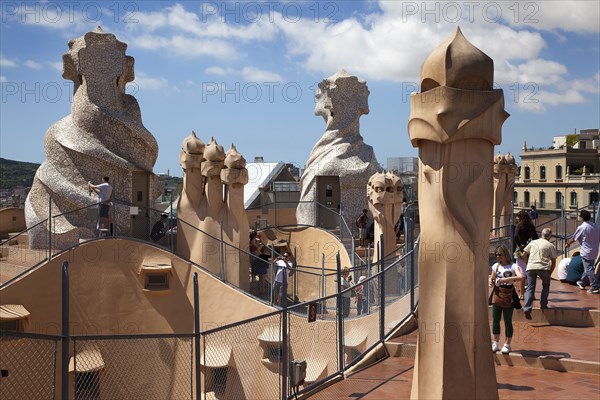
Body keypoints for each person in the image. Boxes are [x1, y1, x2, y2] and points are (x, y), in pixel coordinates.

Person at [489, 245, 523, 354]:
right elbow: (492, 277)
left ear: (505, 254)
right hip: (498, 294)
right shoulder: (496, 266)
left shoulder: (513, 266)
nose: (498, 256)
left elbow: (521, 277)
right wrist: (490, 281)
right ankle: (495, 342)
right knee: (495, 320)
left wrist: (507, 279)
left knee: (508, 321)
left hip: (509, 295)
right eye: (496, 255)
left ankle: (507, 344)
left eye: (500, 254)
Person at [522, 228, 557, 319]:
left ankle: (527, 308)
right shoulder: (550, 245)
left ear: (542, 234)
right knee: (546, 285)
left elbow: (523, 255)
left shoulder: (533, 242)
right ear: (549, 236)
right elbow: (553, 262)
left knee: (530, 287)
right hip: (543, 267)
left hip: (531, 267)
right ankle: (543, 304)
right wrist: (550, 273)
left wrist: (527, 264)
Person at [566, 210, 600, 294]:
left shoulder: (582, 227)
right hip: (594, 251)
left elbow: (574, 238)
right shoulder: (595, 226)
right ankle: (582, 282)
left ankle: (594, 286)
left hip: (586, 251)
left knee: (589, 269)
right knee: (588, 267)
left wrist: (568, 244)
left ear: (581, 217)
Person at [513, 210, 538, 298]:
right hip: (530, 251)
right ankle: (532, 294)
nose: (516, 218)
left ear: (520, 217)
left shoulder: (519, 226)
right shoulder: (531, 226)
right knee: (530, 272)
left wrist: (520, 245)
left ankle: (522, 294)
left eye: (517, 217)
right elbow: (536, 237)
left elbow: (515, 236)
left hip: (520, 251)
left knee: (521, 272)